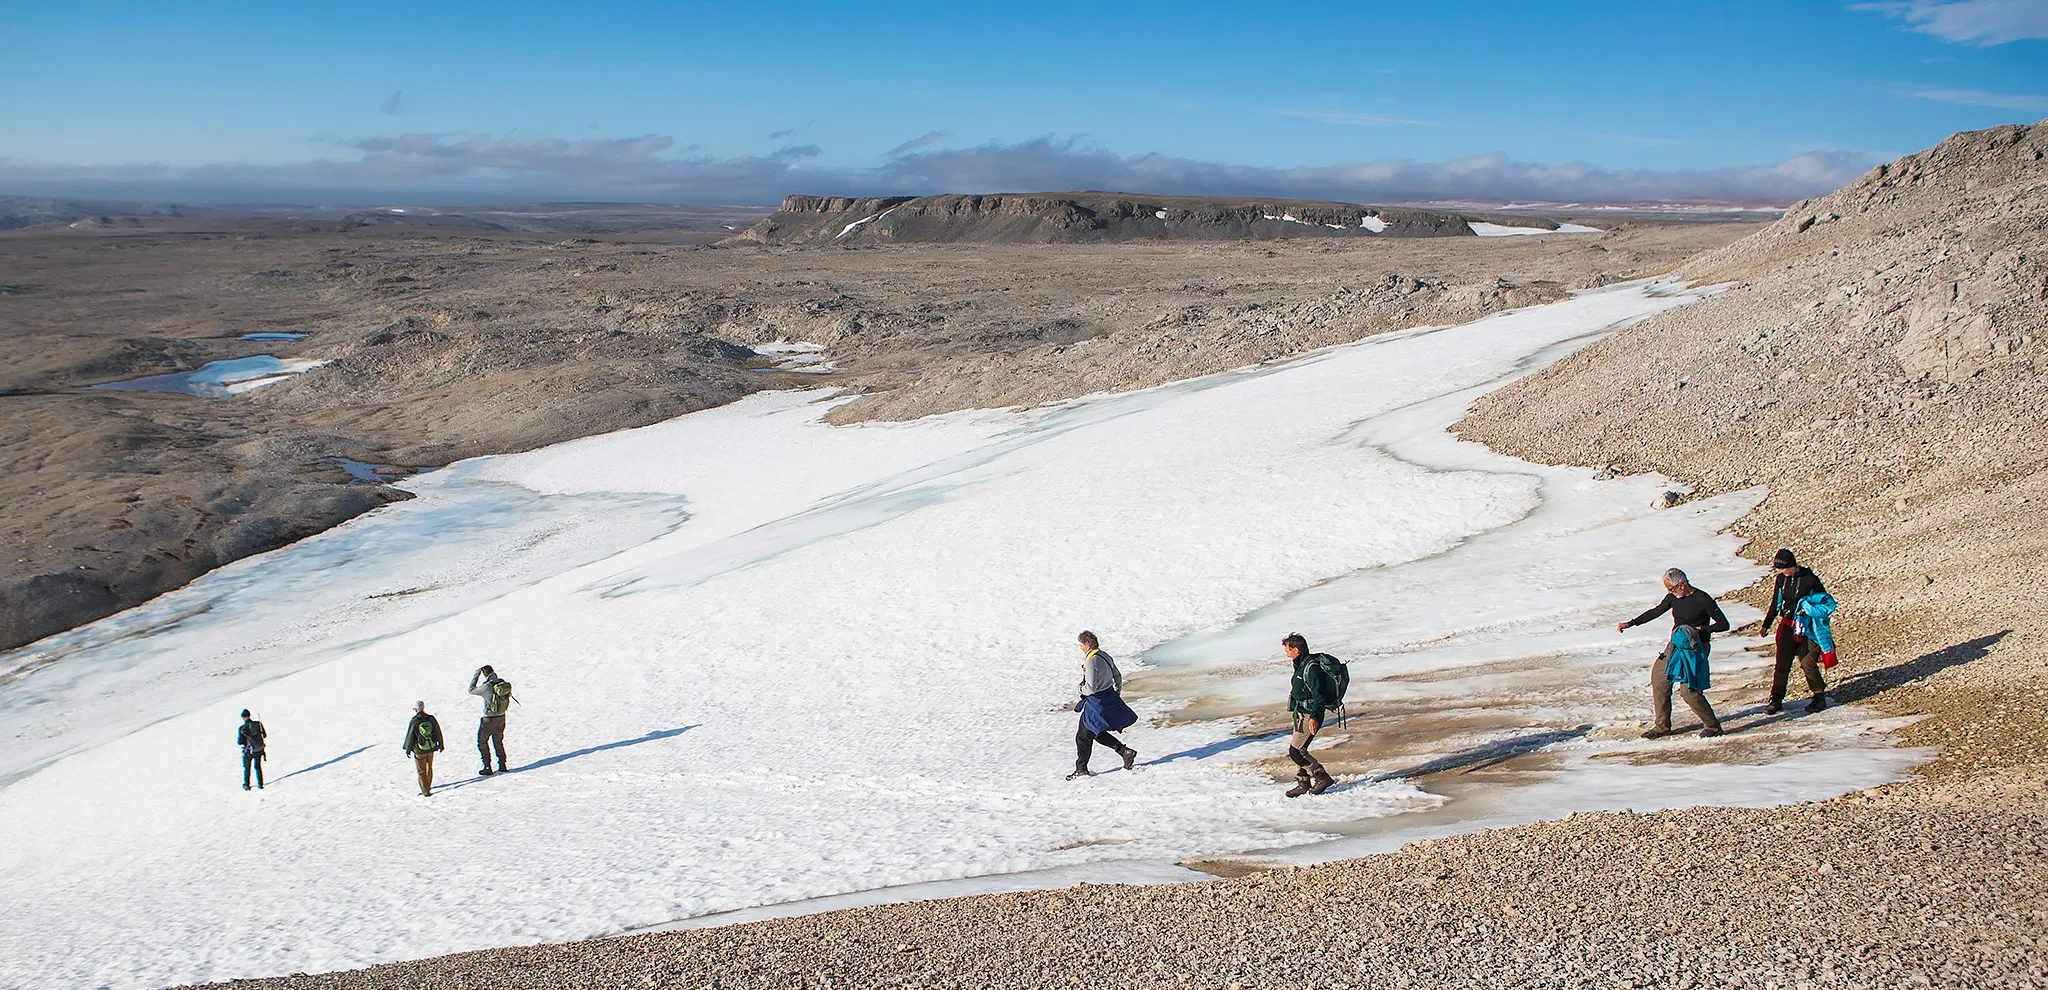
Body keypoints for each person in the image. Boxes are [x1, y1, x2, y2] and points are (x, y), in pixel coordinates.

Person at [1619, 568, 1728, 739]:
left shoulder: (1703, 599)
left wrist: (1702, 629)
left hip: (1695, 648)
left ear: (1682, 585)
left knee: (1689, 692)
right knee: (1659, 678)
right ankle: (1662, 727)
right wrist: (1631, 623)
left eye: (1671, 589)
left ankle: (1713, 727)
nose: (1669, 593)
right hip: (1675, 646)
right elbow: (1656, 611)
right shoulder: (1674, 597)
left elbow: (1723, 624)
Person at [1758, 548, 1830, 714]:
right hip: (1788, 624)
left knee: (1807, 662)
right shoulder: (1781, 580)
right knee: (1782, 663)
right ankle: (1776, 699)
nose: (1783, 571)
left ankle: (1819, 696)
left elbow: (1823, 601)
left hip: (1808, 627)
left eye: (1785, 568)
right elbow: (1776, 603)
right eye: (1780, 569)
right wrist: (1766, 624)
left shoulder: (1810, 580)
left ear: (1793, 564)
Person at [1068, 631, 1138, 780]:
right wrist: (1116, 692)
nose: (1080, 647)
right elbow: (1117, 676)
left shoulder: (1091, 661)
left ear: (1087, 645)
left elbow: (1091, 687)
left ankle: (1081, 769)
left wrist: (1080, 689)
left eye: (1080, 644)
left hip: (1096, 703)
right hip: (1107, 698)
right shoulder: (1105, 655)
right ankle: (1124, 752)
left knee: (1082, 737)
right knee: (1095, 732)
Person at [1282, 633, 1338, 797]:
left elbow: (1318, 695)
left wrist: (1314, 717)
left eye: (1288, 650)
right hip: (1301, 714)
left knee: (1296, 752)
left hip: (1309, 715)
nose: (1286, 654)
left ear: (1296, 649)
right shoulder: (1300, 665)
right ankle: (1303, 783)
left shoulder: (1311, 668)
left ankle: (1322, 777)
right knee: (1299, 749)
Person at [469, 665, 512, 775]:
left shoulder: (487, 687)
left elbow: (471, 690)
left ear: (484, 674)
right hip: (501, 717)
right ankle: (502, 764)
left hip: (489, 719)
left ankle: (487, 766)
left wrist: (476, 675)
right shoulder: (502, 683)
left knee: (482, 741)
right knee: (498, 741)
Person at [401, 701, 445, 797]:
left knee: (421, 771)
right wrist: (441, 744)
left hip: (419, 750)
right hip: (430, 748)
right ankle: (428, 786)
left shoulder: (415, 721)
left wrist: (408, 749)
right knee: (429, 767)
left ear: (416, 709)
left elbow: (410, 736)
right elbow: (438, 731)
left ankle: (425, 791)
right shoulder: (431, 719)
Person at [237, 709, 267, 791]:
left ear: (243, 718)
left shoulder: (242, 728)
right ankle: (260, 784)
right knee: (257, 767)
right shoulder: (258, 724)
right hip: (259, 749)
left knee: (247, 768)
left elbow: (240, 742)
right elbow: (264, 735)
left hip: (249, 751)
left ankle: (247, 784)